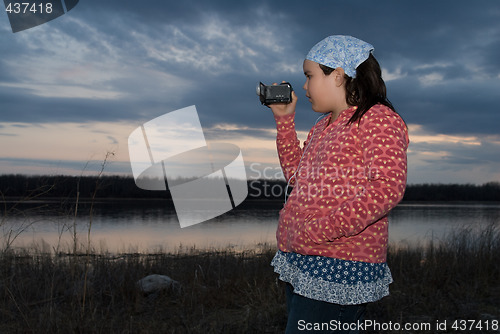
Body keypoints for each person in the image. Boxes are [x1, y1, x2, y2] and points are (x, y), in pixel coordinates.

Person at [268, 35, 409, 333]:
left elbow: (386, 189)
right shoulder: (322, 126)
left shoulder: (376, 118)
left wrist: (320, 231)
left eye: (309, 76)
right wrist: (284, 121)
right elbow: (296, 175)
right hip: (304, 255)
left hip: (339, 261)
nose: (304, 86)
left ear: (338, 75)